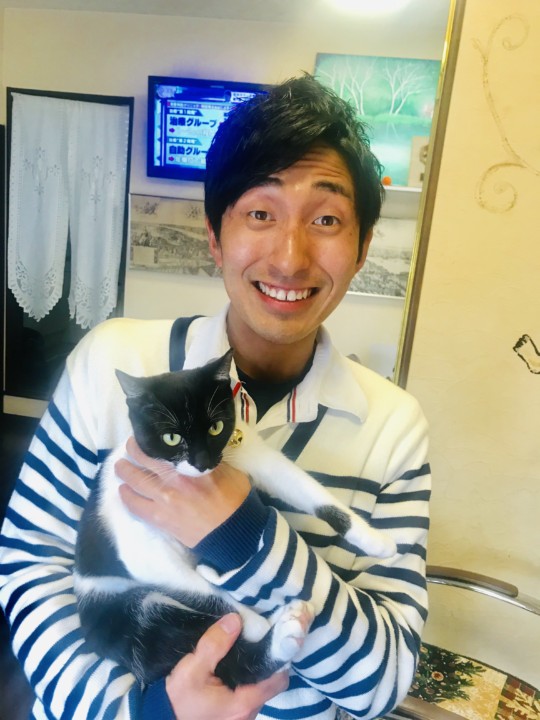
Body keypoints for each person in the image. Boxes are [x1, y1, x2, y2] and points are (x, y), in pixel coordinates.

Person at [0, 75, 430, 720]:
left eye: (326, 219)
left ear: (364, 246)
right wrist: (146, 714)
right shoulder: (114, 363)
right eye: (260, 213)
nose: (290, 258)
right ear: (214, 234)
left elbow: (384, 681)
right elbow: (31, 566)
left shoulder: (394, 426)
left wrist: (242, 535)